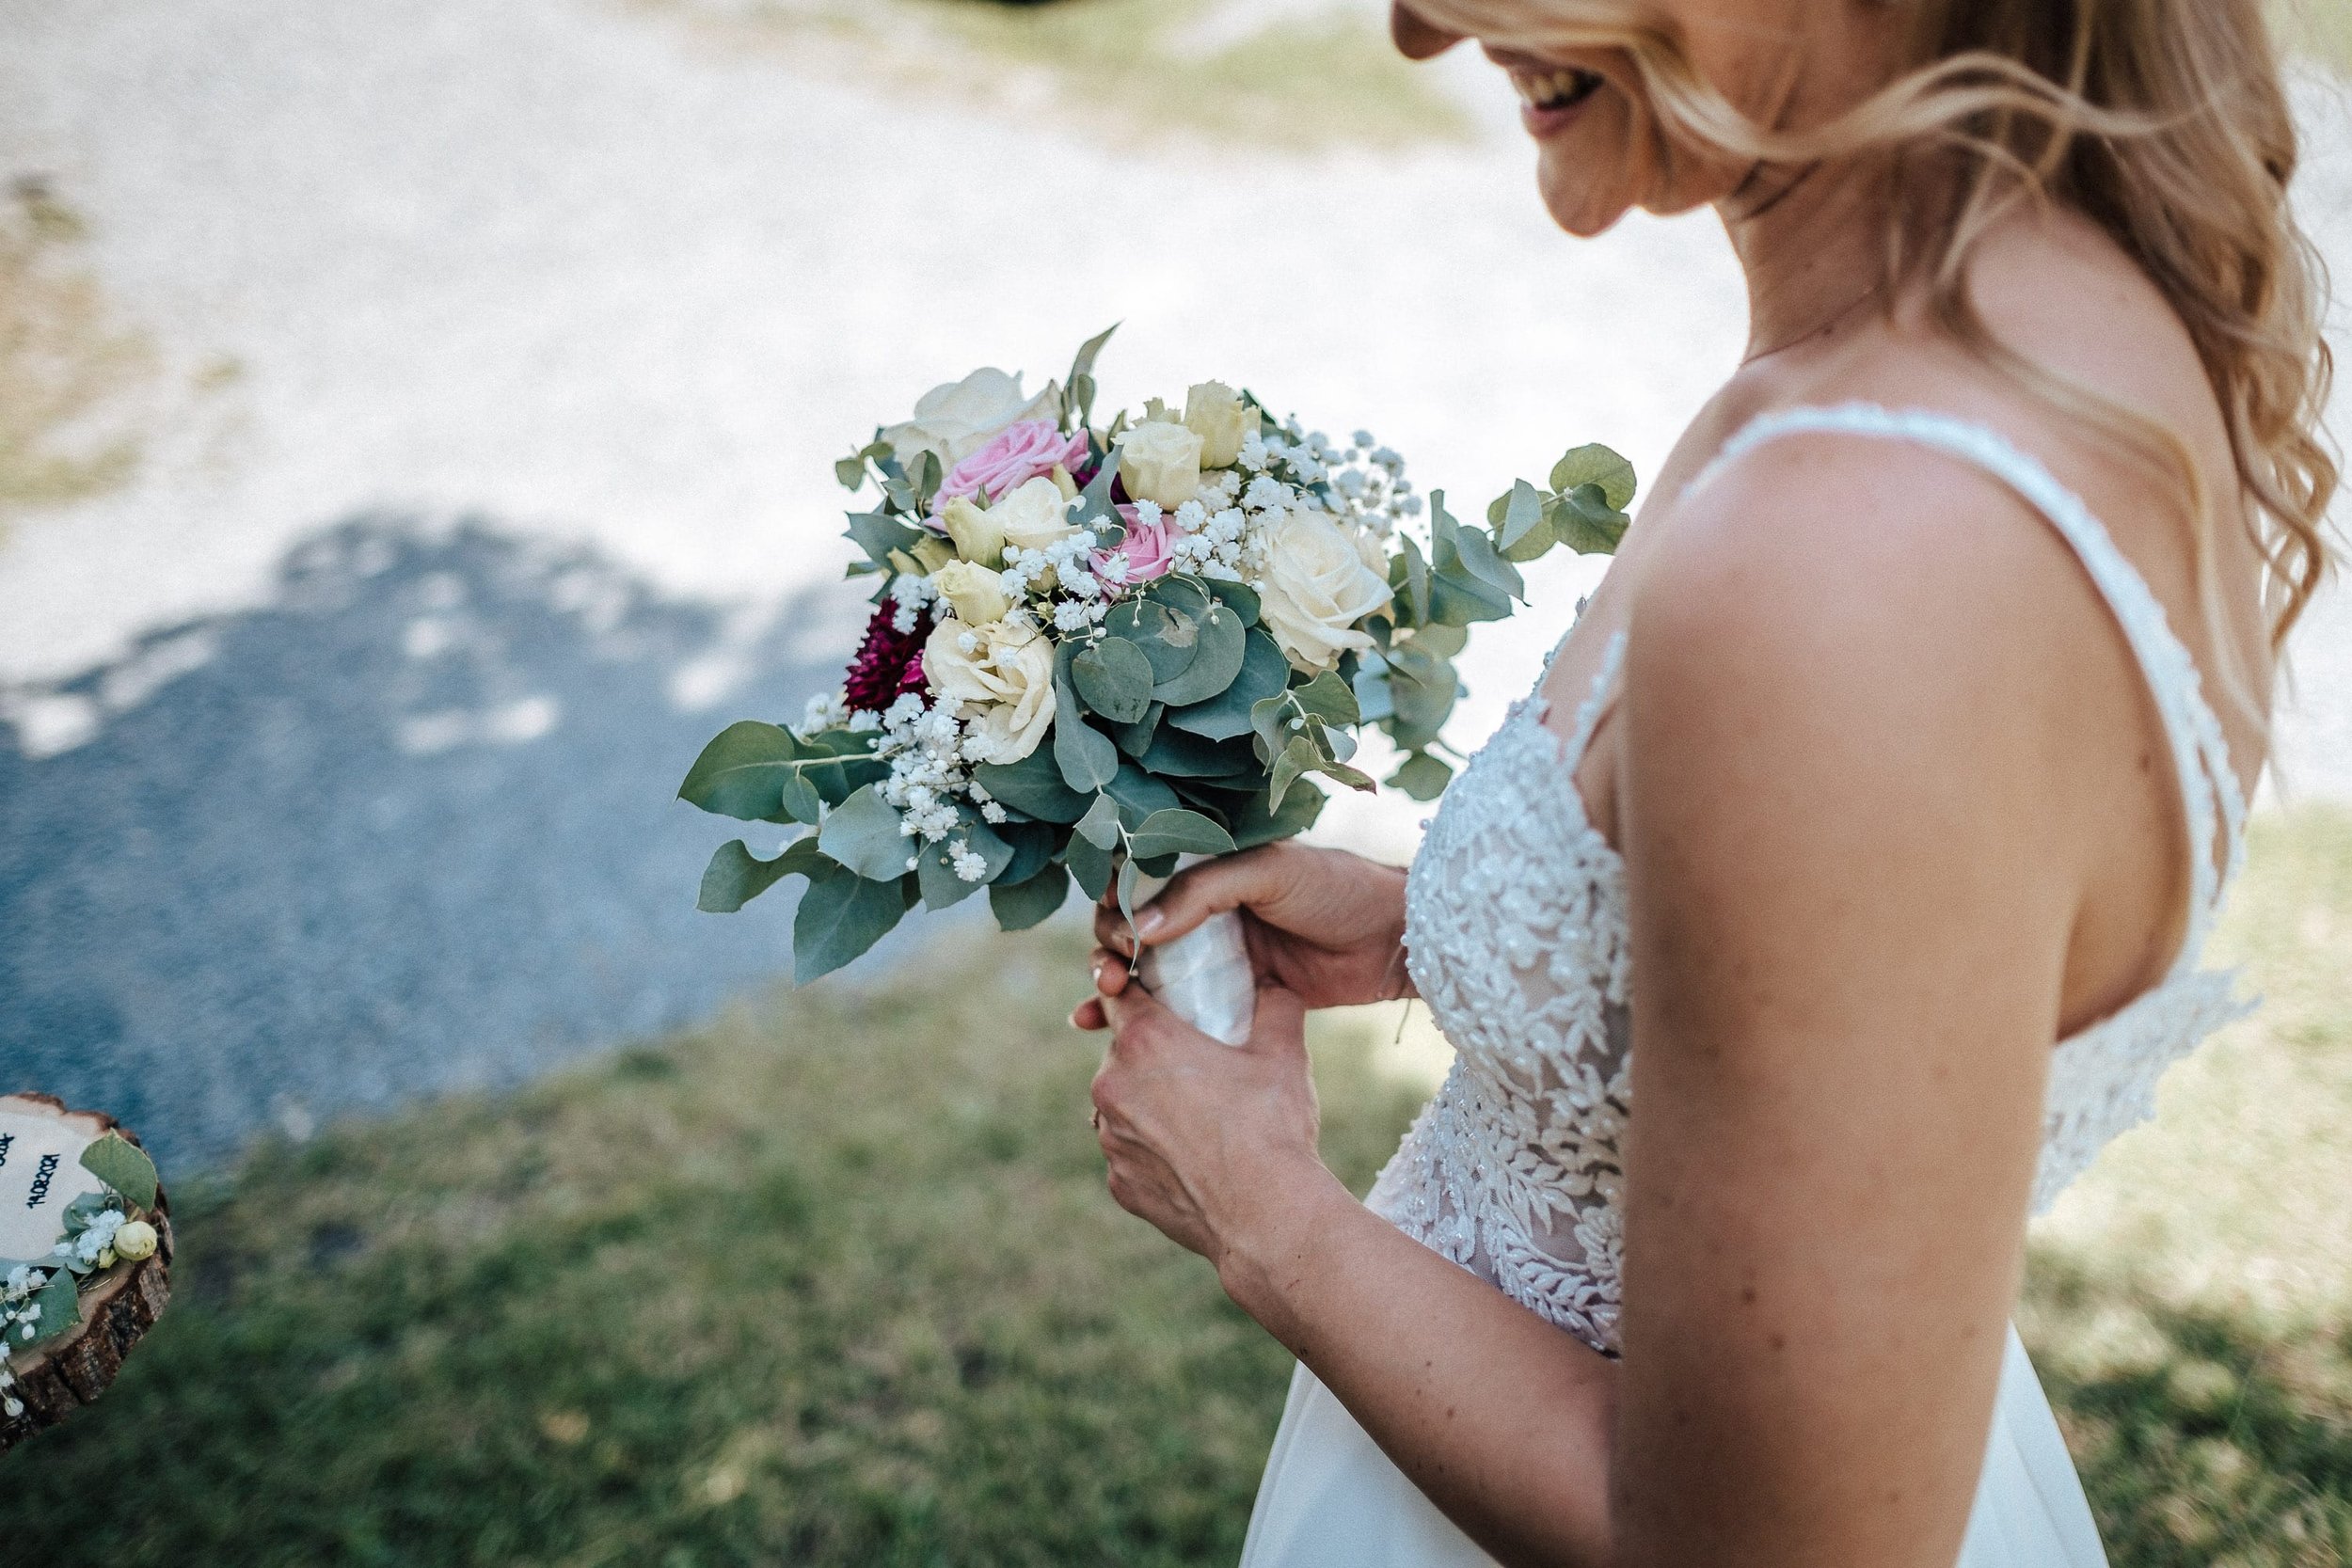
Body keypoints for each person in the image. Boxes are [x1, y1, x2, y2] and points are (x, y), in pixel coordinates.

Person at [1070, 3, 2339, 1564]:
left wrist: (1257, 1203)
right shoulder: (2044, 330)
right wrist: (1456, 934)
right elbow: (1874, 990)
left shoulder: (1858, 547)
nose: (1414, 28)